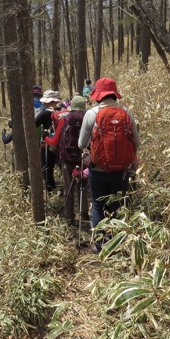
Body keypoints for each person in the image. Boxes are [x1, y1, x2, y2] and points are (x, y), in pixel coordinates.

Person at [78, 78, 139, 252]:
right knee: (116, 206)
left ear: (98, 95)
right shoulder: (126, 112)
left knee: (98, 205)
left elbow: (81, 144)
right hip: (121, 170)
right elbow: (137, 141)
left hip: (98, 169)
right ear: (114, 93)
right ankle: (116, 242)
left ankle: (99, 244)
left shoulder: (91, 113)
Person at [45, 95, 89, 225]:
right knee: (83, 185)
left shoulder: (65, 119)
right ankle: (84, 213)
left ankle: (69, 216)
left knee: (68, 186)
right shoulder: (89, 118)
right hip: (84, 158)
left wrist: (46, 138)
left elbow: (55, 141)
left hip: (67, 158)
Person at [35, 90, 61, 192]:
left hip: (48, 143)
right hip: (62, 143)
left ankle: (50, 189)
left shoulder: (45, 113)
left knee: (47, 167)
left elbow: (34, 123)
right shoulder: (63, 110)